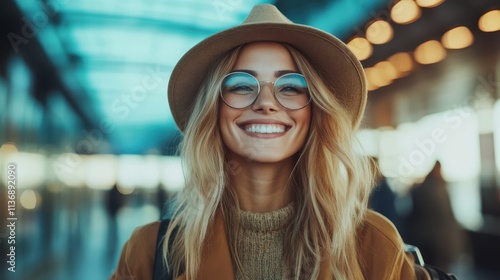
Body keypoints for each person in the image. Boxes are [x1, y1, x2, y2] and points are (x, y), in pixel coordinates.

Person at [110, 4, 416, 280]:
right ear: (213, 110)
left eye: (291, 86)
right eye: (242, 85)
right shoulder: (150, 253)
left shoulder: (376, 244)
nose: (266, 102)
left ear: (316, 111)